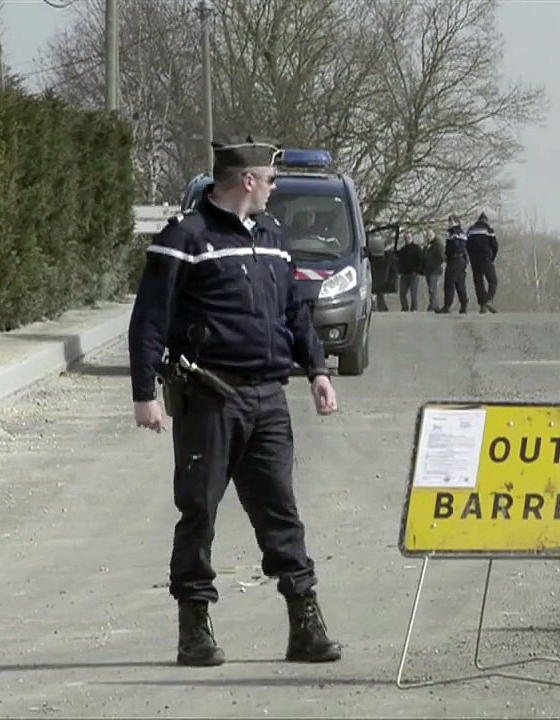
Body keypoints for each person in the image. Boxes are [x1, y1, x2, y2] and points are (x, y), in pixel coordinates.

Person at [127, 137, 343, 667]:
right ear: (247, 181)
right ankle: (194, 628)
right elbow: (149, 318)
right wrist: (144, 393)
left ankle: (305, 624)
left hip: (268, 398)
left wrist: (317, 369)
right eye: (269, 180)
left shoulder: (273, 238)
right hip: (209, 397)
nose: (273, 189)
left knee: (280, 512)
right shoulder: (186, 237)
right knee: (199, 510)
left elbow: (294, 312)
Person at [465, 212, 499, 313]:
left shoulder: (470, 230)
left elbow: (466, 245)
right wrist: (492, 257)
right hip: (485, 257)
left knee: (478, 281)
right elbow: (495, 245)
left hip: (474, 259)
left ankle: (482, 305)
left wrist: (470, 256)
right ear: (486, 220)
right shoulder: (488, 229)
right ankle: (488, 300)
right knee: (493, 280)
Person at [438, 215, 469, 314]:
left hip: (454, 259)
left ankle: (447, 305)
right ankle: (464, 304)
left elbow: (453, 247)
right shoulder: (463, 233)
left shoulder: (454, 233)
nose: (449, 224)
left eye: (451, 222)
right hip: (462, 260)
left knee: (449, 283)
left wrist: (446, 255)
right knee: (460, 283)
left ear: (457, 223)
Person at [396, 233, 424, 312]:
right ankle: (405, 308)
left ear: (412, 238)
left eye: (409, 237)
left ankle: (414, 308)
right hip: (404, 274)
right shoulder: (402, 250)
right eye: (406, 238)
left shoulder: (417, 249)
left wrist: (418, 271)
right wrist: (399, 271)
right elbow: (399, 262)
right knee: (402, 293)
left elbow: (420, 260)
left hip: (413, 274)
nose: (407, 239)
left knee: (413, 293)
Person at [423, 233, 444, 312]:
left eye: (430, 235)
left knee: (433, 288)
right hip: (428, 270)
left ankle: (434, 305)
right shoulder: (428, 246)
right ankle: (433, 304)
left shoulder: (437, 244)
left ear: (434, 235)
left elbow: (442, 256)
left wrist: (435, 264)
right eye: (427, 236)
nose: (428, 237)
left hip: (435, 270)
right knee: (430, 288)